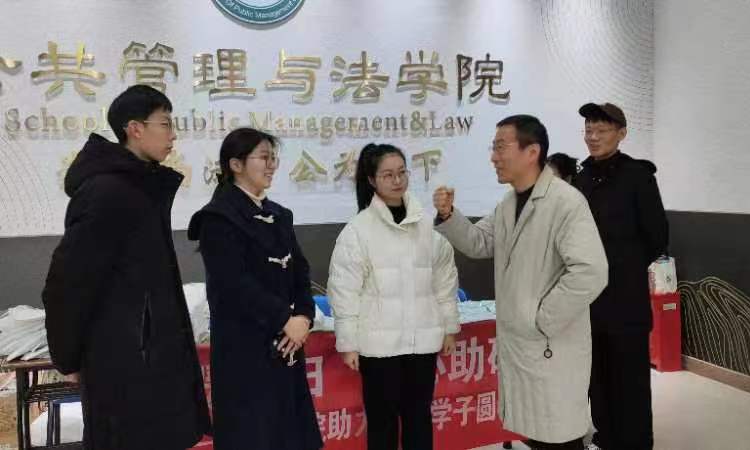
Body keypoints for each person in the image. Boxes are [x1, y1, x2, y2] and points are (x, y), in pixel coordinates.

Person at [41, 85, 210, 450]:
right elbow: (68, 282)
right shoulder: (106, 192)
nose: (173, 134)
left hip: (151, 356)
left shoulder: (141, 188)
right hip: (125, 361)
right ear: (135, 129)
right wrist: (68, 355)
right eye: (165, 123)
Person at [433, 115, 607, 450]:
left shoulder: (565, 202)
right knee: (536, 434)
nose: (493, 157)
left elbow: (591, 271)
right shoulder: (509, 203)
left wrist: (541, 317)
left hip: (551, 344)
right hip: (522, 347)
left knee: (559, 437)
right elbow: (480, 242)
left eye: (501, 147)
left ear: (532, 152)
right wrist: (449, 216)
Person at [187, 128, 323, 450]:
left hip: (287, 343)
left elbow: (300, 271)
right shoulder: (217, 218)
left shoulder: (279, 215)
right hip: (244, 351)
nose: (272, 165)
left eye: (273, 157)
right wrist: (284, 319)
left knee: (289, 436)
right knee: (253, 435)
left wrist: (304, 317)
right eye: (264, 157)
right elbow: (233, 284)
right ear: (236, 165)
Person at [327, 143, 460, 450]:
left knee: (419, 419)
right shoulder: (358, 230)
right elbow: (344, 290)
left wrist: (450, 326)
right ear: (372, 180)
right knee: (382, 424)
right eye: (388, 175)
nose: (397, 180)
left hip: (421, 343)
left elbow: (444, 280)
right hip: (379, 348)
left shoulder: (425, 225)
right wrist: (348, 342)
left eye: (402, 172)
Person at [574, 103, 668, 450]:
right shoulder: (581, 179)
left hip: (626, 301)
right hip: (587, 301)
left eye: (601, 130)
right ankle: (605, 438)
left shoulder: (637, 176)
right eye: (588, 130)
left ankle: (636, 443)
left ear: (622, 134)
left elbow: (657, 237)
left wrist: (623, 267)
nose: (593, 136)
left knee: (630, 381)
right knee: (597, 379)